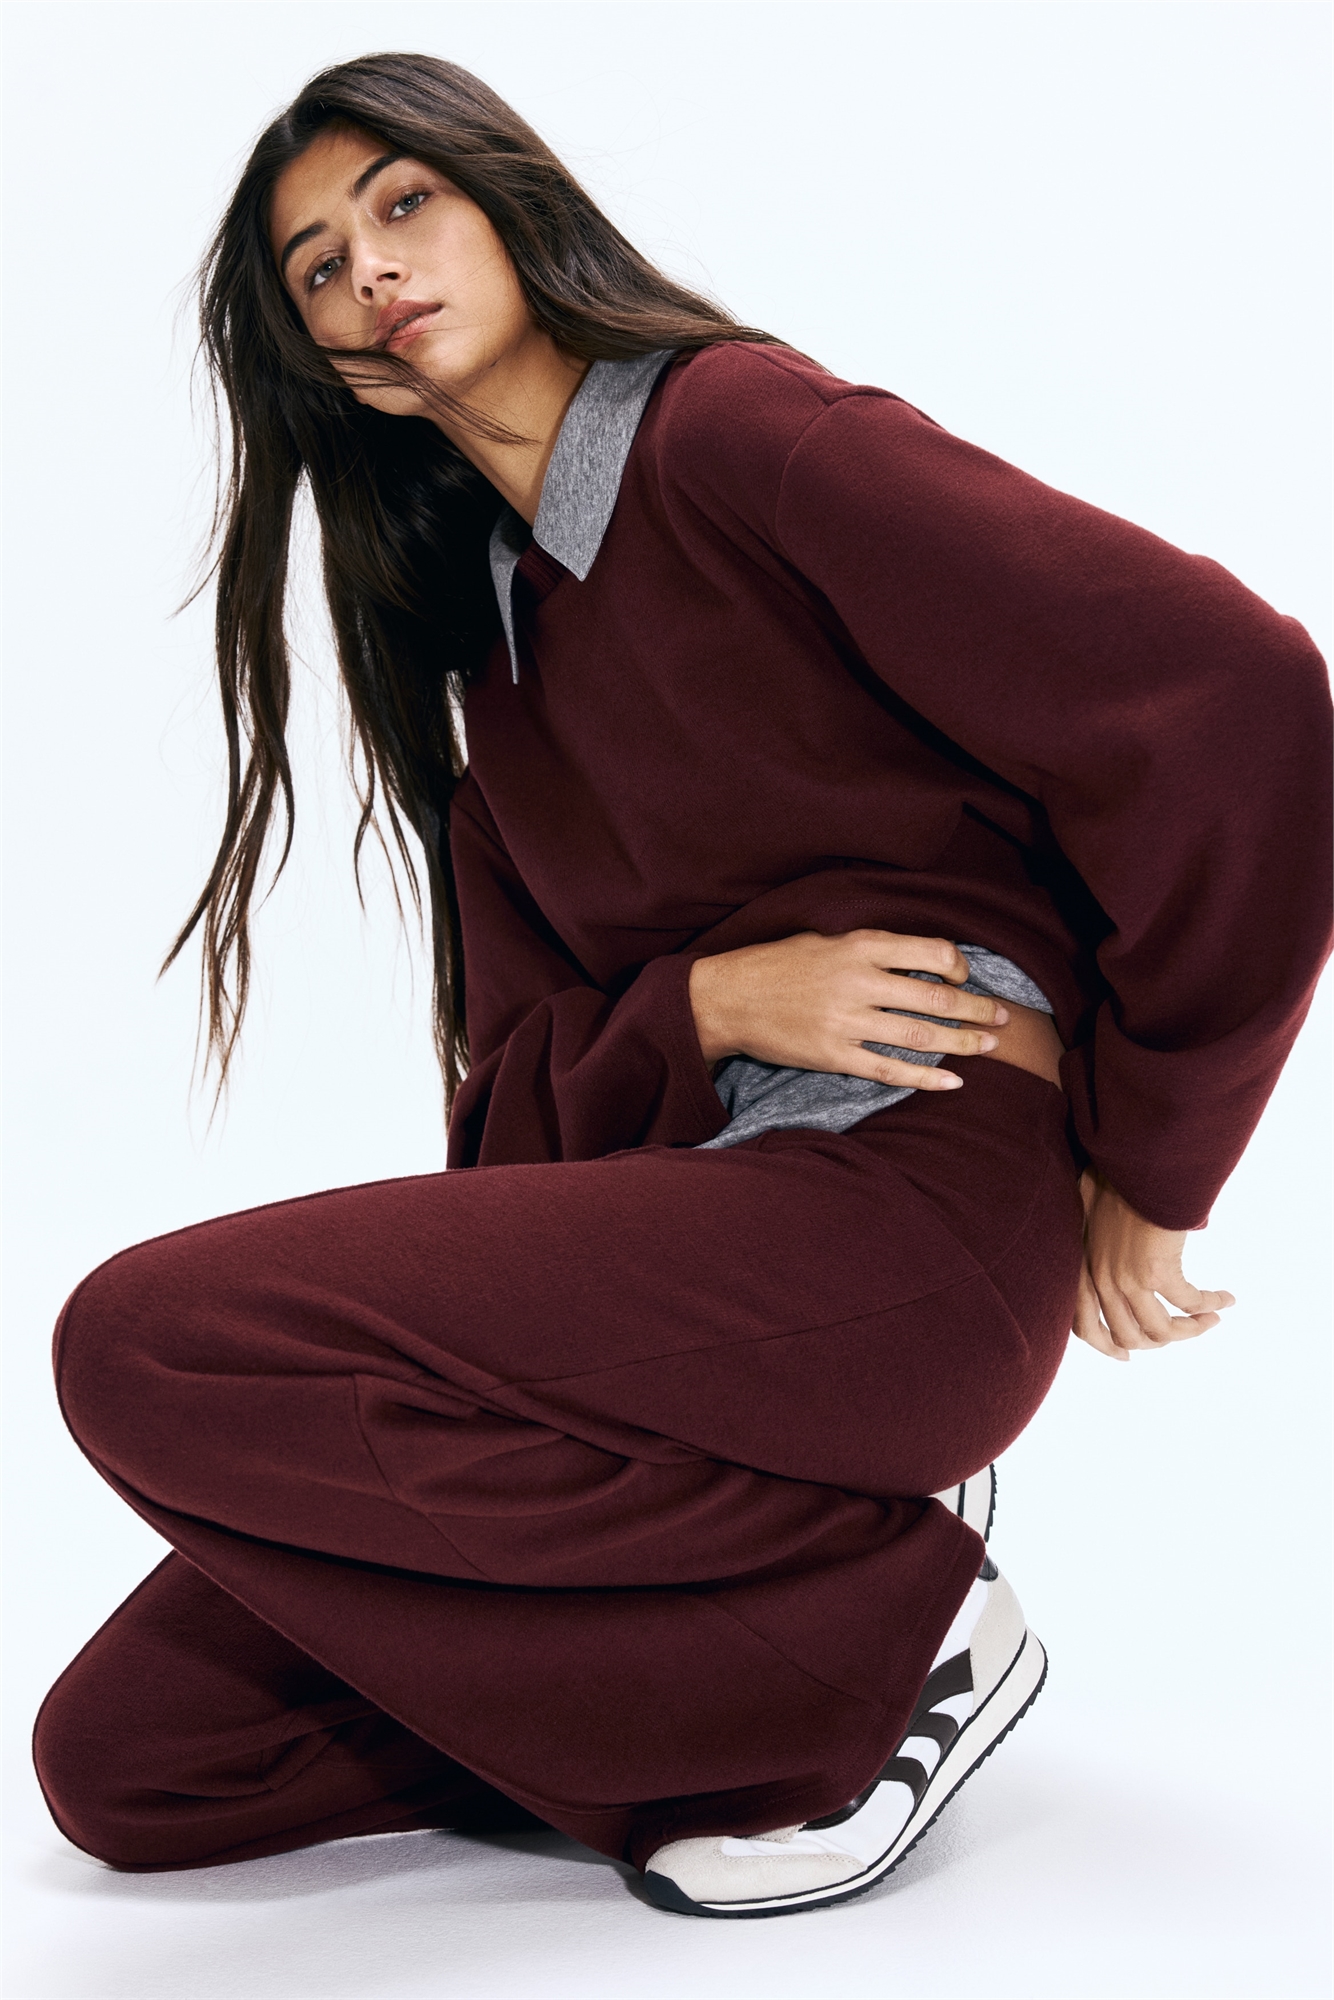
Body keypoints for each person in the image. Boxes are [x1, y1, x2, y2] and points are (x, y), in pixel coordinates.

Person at [32, 53, 1331, 1919]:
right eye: (318, 266)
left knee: (151, 1343)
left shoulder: (738, 434)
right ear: (327, 361)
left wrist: (1152, 1154)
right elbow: (511, 1118)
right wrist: (711, 1008)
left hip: (915, 1202)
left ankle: (891, 1631)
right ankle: (774, 1592)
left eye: (403, 204)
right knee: (141, 1763)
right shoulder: (488, 665)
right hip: (715, 1262)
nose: (371, 267)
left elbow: (1231, 696)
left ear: (507, 206)